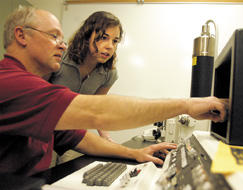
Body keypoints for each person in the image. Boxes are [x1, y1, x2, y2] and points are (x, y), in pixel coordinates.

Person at [0, 6, 227, 176]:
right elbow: (97, 112)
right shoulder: (11, 83)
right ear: (21, 35)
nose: (62, 44)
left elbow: (75, 134)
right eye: (53, 36)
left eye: (115, 40)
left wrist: (135, 153)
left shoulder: (40, 91)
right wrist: (186, 105)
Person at [49, 11, 123, 142]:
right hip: (46, 131)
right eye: (103, 38)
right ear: (87, 36)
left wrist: (107, 139)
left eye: (115, 41)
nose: (110, 46)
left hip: (74, 134)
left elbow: (97, 109)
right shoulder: (60, 57)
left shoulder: (109, 73)